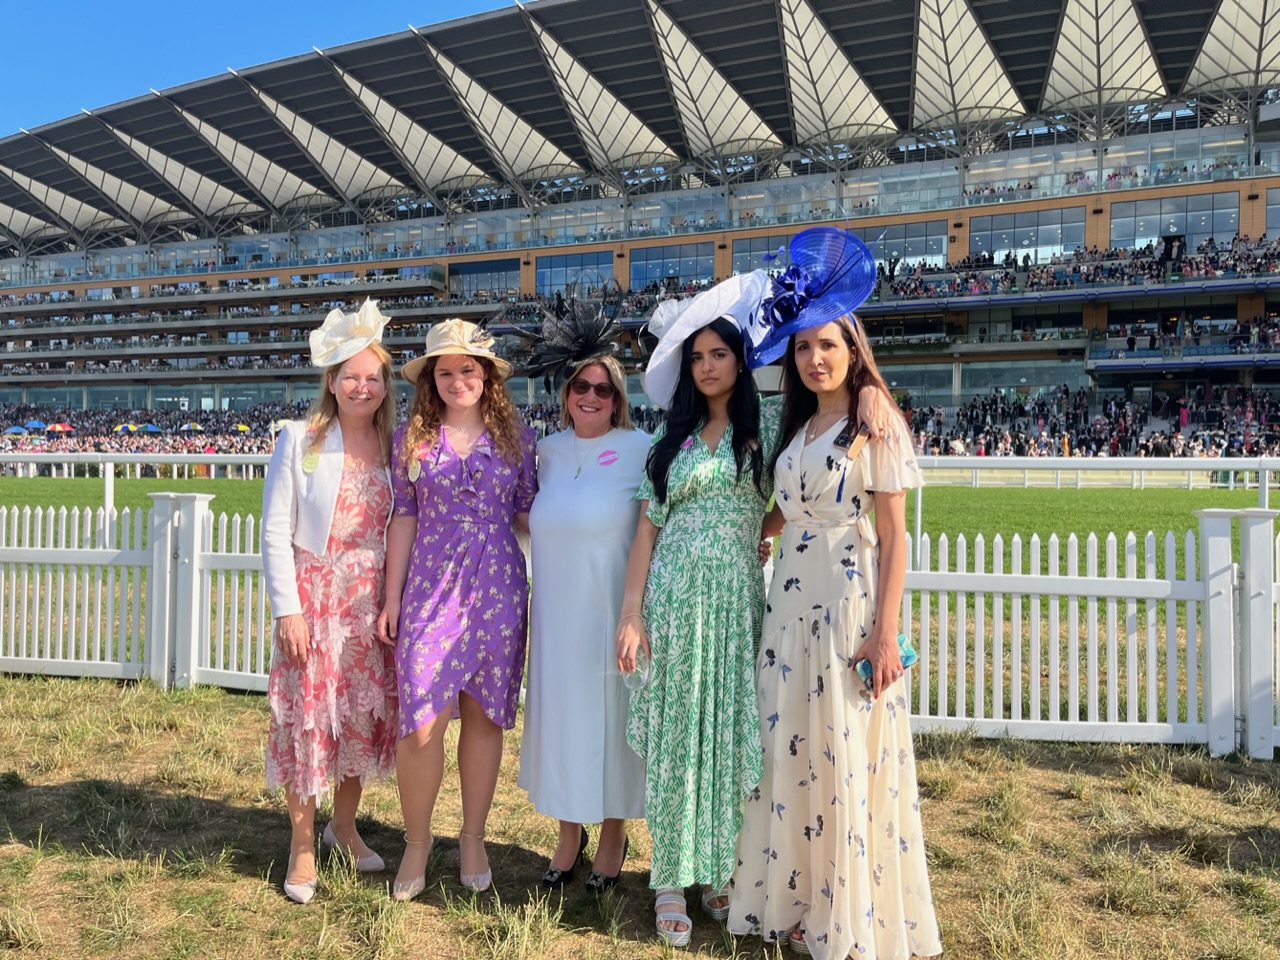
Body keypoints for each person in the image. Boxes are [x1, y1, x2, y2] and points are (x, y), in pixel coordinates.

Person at [728, 228, 942, 959]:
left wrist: (885, 635)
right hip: (786, 610)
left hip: (844, 609)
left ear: (852, 349)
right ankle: (793, 899)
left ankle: (842, 913)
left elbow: (896, 536)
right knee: (788, 758)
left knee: (841, 756)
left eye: (828, 346)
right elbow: (792, 501)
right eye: (803, 348)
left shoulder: (873, 422)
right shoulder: (803, 424)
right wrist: (763, 528)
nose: (815, 359)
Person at [613, 272, 776, 946]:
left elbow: (797, 495)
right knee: (681, 742)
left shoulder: (763, 429)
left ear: (739, 360)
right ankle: (671, 879)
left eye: (719, 354)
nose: (708, 366)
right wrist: (631, 612)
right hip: (674, 606)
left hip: (735, 608)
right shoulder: (670, 442)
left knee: (723, 735)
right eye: (697, 357)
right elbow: (648, 526)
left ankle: (716, 868)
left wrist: (764, 533)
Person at [377, 318, 537, 901]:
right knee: (420, 723)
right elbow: (404, 517)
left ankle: (473, 836)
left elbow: (530, 516)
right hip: (429, 587)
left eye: (467, 368)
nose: (456, 379)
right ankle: (416, 843)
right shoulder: (412, 440)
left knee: (484, 717)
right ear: (430, 380)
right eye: (444, 371)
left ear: (487, 375)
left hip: (497, 589)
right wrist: (391, 598)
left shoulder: (520, 438)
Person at [261, 300, 399, 905]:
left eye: (372, 377)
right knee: (308, 723)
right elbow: (274, 530)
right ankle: (301, 844)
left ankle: (344, 825)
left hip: (370, 604)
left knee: (357, 722)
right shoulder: (299, 439)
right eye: (350, 375)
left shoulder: (399, 445)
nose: (361, 386)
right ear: (331, 380)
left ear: (384, 384)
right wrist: (286, 609)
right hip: (315, 601)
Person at [514, 297, 649, 890]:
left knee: (613, 724)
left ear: (618, 398)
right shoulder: (545, 451)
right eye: (580, 388)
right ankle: (569, 835)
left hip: (611, 615)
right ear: (565, 393)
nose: (590, 398)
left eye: (602, 389)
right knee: (565, 722)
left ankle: (614, 833)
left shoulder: (642, 452)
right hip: (556, 618)